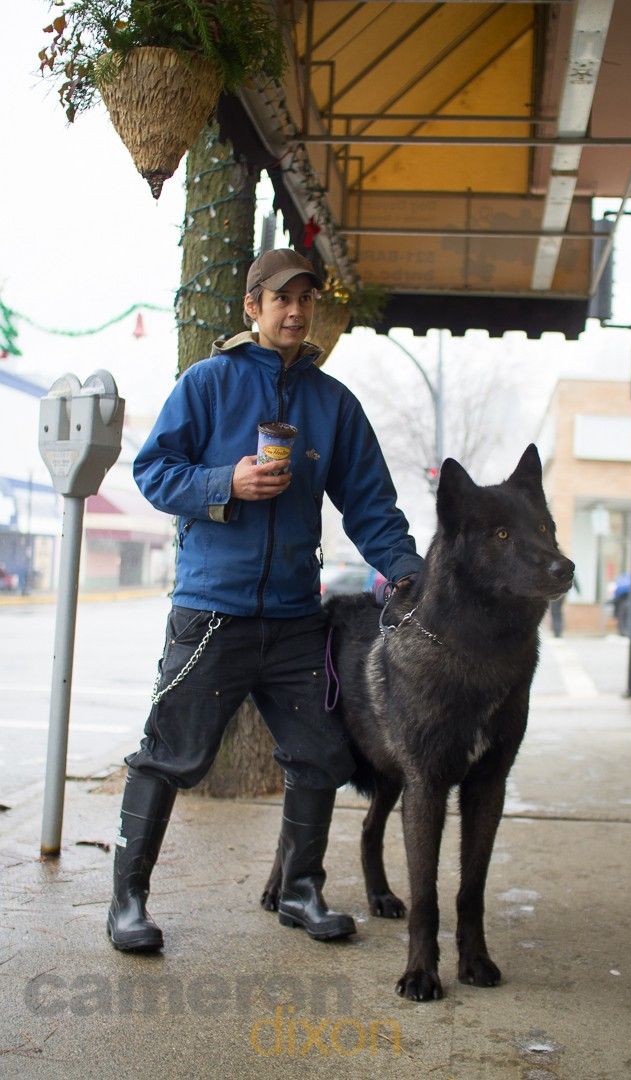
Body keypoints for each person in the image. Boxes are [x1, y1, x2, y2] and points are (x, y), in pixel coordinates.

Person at [108, 248, 423, 953]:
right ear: (252, 307)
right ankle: (127, 902)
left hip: (291, 621)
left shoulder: (332, 403)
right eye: (280, 299)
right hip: (211, 613)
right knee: (169, 756)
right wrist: (226, 484)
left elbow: (370, 503)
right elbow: (154, 470)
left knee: (320, 753)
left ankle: (299, 889)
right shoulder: (207, 384)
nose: (294, 311)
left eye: (305, 299)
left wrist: (406, 572)